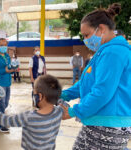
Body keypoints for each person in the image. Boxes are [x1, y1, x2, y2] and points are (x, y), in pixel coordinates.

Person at [60, 3, 131, 150]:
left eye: (87, 34)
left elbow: (102, 92)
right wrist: (62, 94)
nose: (85, 40)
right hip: (97, 120)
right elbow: (85, 83)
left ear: (102, 29)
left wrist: (73, 111)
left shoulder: (113, 52)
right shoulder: (103, 52)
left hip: (108, 123)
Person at [0, 74, 63, 150]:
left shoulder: (29, 117)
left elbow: (7, 121)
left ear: (40, 96)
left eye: (34, 93)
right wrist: (56, 98)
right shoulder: (59, 111)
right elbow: (62, 103)